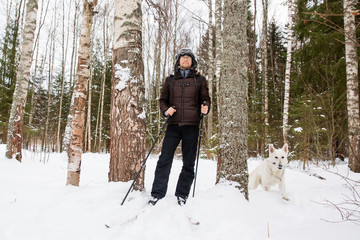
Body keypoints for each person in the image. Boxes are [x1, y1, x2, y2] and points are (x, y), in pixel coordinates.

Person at [149, 48, 211, 206]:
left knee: (189, 162)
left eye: (188, 58)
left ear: (192, 62)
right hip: (173, 126)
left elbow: (205, 98)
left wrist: (205, 106)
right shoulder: (170, 80)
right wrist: (165, 110)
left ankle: (182, 194)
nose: (185, 60)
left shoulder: (200, 80)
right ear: (178, 61)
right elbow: (163, 100)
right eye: (182, 58)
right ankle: (157, 193)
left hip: (192, 126)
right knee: (164, 159)